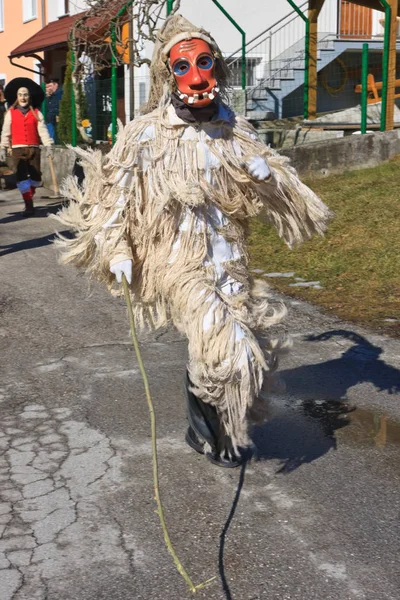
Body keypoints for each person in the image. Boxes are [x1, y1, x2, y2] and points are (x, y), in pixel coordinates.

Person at [54, 15, 331, 467]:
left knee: (237, 345)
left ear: (217, 69)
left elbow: (283, 191)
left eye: (204, 63)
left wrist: (268, 178)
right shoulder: (146, 135)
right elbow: (114, 198)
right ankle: (217, 434)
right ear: (168, 75)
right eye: (183, 67)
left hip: (230, 259)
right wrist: (119, 249)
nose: (197, 76)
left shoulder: (233, 129)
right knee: (226, 348)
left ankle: (207, 431)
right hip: (180, 263)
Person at [0, 77, 54, 216]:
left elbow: (43, 131)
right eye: (20, 95)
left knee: (36, 178)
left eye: (25, 94)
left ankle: (28, 195)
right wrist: (3, 147)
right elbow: (5, 133)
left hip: (34, 148)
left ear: (29, 97)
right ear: (17, 97)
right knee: (21, 176)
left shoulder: (37, 113)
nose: (23, 97)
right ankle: (29, 205)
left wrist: (48, 145)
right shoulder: (10, 114)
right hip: (18, 149)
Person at [45, 78, 63, 142]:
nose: (48, 89)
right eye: (46, 87)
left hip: (57, 122)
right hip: (49, 122)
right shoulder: (49, 96)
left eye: (50, 86)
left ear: (56, 85)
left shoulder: (61, 93)